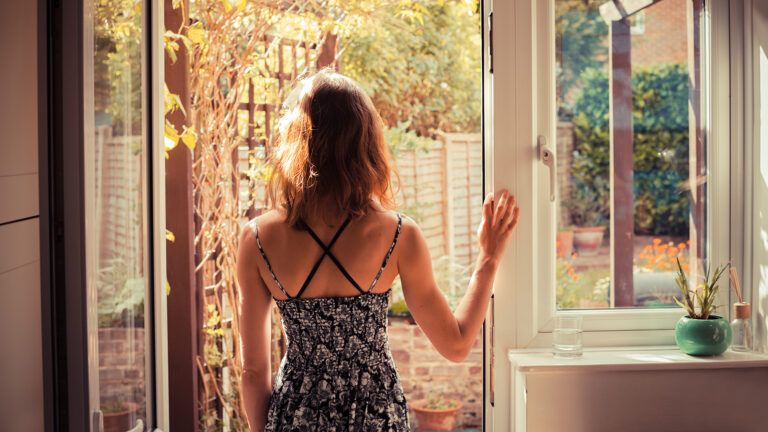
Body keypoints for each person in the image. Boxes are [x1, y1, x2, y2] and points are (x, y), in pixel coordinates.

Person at [236, 70, 519, 431]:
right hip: (375, 416)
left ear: (297, 140)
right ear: (367, 141)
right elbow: (457, 344)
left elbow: (252, 372)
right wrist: (489, 258)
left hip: (297, 419)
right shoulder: (399, 235)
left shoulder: (257, 239)